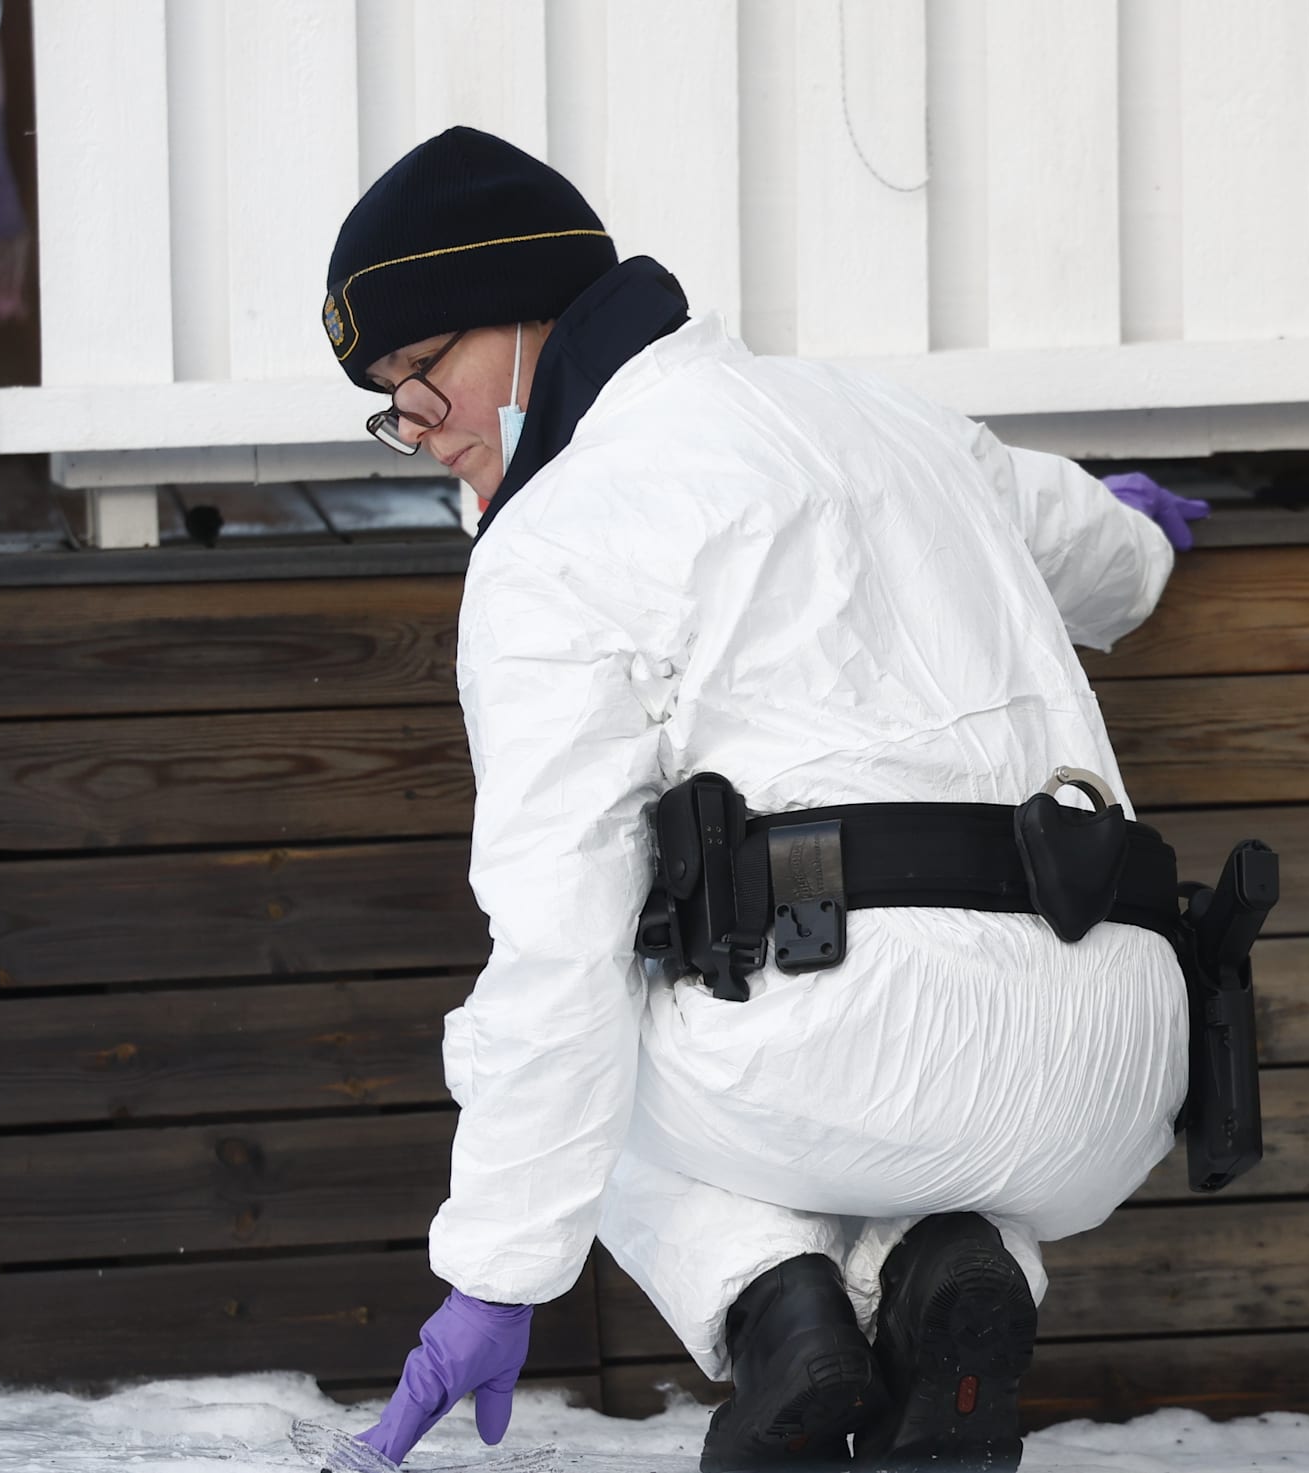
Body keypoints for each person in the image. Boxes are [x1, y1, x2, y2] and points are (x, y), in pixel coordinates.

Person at [323, 126, 1210, 1471]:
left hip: (848, 1048)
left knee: (576, 1039)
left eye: (422, 369)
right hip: (1121, 1053)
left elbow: (557, 942)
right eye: (389, 400)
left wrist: (495, 1276)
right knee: (863, 1111)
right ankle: (948, 1269)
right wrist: (1146, 540)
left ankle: (772, 1305)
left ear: (526, 314)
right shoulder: (882, 416)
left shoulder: (556, 543)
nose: (417, 424)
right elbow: (1090, 548)